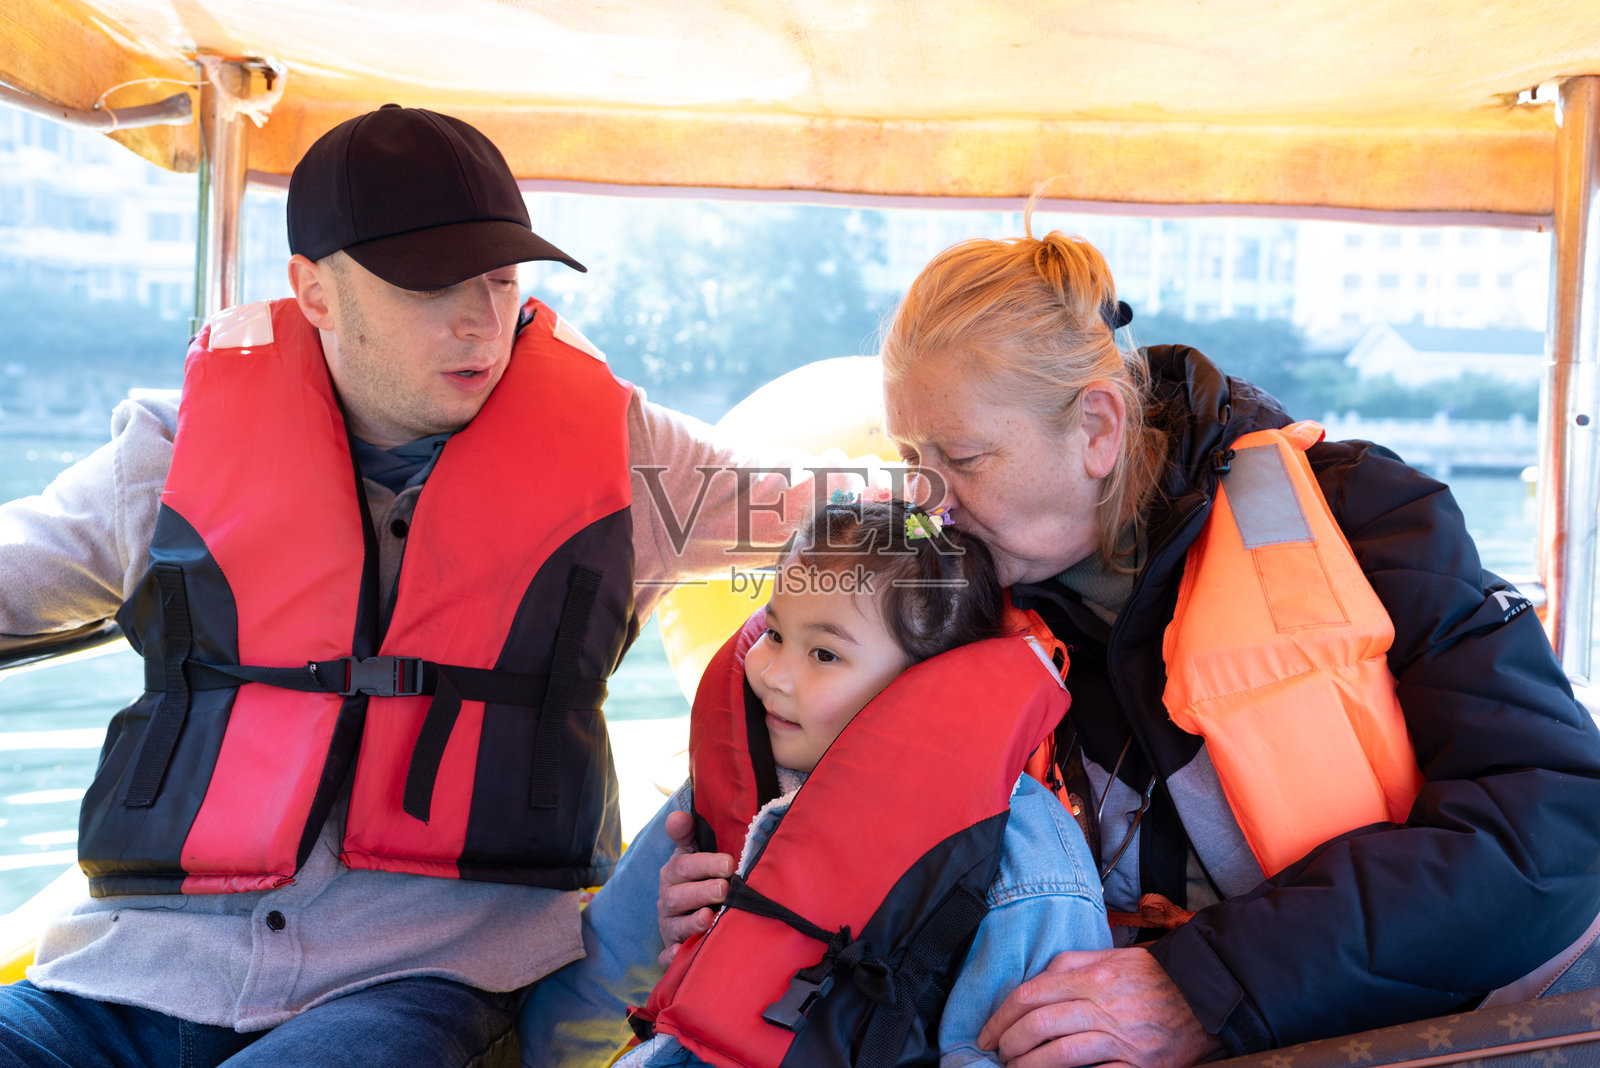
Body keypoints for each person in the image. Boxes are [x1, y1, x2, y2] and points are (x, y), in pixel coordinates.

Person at [0, 105, 859, 1067]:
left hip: (418, 983)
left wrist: (976, 477)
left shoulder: (625, 459)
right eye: (432, 284)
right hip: (125, 978)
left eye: (501, 279)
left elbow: (857, 515)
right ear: (315, 291)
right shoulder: (171, 454)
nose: (480, 321)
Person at [658, 221, 1600, 1066]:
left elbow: (1555, 827)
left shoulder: (1369, 518)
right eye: (913, 460)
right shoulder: (950, 600)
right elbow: (863, 795)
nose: (930, 500)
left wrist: (1203, 988)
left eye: (962, 458)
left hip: (1488, 1018)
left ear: (1098, 428)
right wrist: (744, 885)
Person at [521, 499, 1111, 1066]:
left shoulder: (1021, 858)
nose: (773, 675)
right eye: (774, 634)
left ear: (926, 682)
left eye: (824, 655)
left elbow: (1012, 1048)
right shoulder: (729, 784)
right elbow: (596, 981)